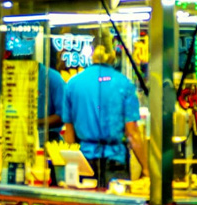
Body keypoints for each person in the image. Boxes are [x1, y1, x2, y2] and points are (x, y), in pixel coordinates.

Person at [62, 45, 146, 186]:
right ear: (113, 58)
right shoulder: (125, 84)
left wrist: (70, 166)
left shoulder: (72, 84)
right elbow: (132, 132)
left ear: (91, 58)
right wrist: (147, 168)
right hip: (115, 160)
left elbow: (69, 134)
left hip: (84, 162)